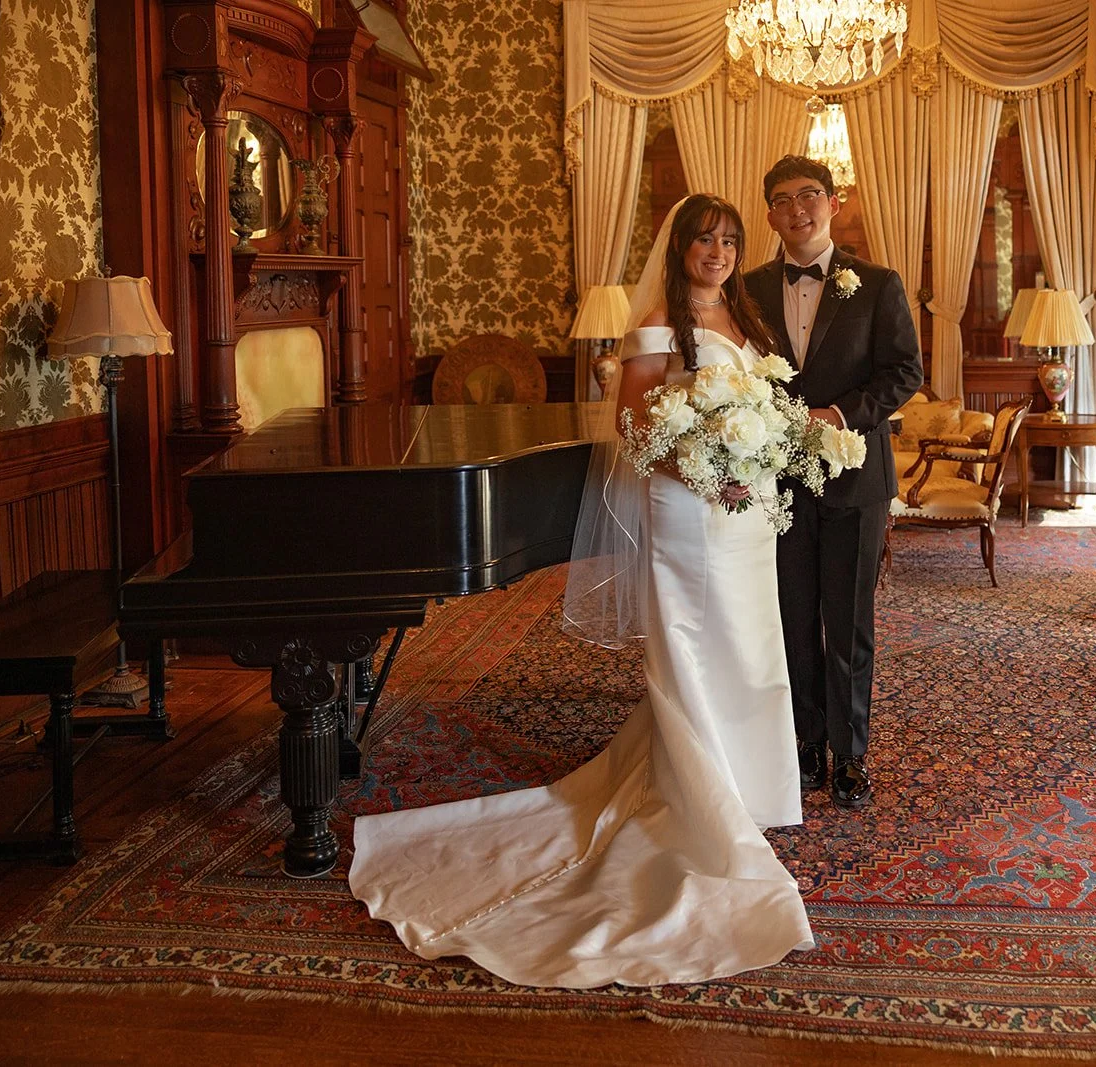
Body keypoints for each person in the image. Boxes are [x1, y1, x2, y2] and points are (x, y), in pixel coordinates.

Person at [348, 194, 814, 989]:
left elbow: (764, 407)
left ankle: (747, 783)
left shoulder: (748, 321)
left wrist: (759, 457)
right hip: (689, 507)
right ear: (680, 247)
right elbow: (635, 429)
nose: (719, 252)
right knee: (696, 646)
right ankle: (701, 795)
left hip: (746, 512)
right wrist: (708, 471)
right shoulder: (657, 325)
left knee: (749, 641)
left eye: (731, 241)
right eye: (706, 239)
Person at [744, 156, 924, 809]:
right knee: (791, 618)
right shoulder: (747, 289)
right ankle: (804, 742)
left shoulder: (877, 283)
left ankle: (850, 754)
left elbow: (905, 371)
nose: (798, 209)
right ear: (770, 215)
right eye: (783, 200)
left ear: (834, 203)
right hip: (777, 482)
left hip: (855, 477)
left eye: (810, 195)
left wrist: (840, 415)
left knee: (848, 622)